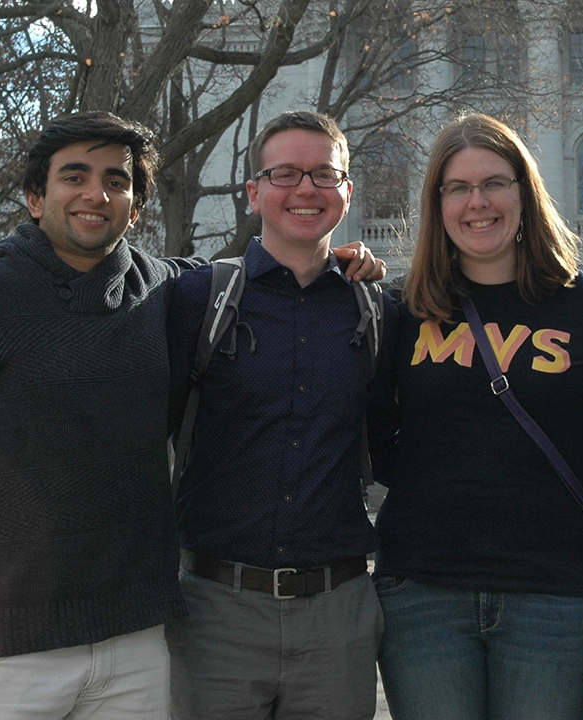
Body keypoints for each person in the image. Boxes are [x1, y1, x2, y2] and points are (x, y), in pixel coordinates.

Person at [0, 111, 384, 719]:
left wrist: (349, 264)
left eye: (116, 181)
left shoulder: (166, 291)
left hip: (137, 642)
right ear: (35, 196)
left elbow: (279, 270)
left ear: (136, 205)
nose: (96, 194)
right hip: (4, 644)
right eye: (75, 176)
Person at [370, 113, 583, 720]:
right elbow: (368, 427)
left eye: (494, 182)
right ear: (437, 203)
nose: (478, 202)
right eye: (458, 188)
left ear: (524, 192)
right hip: (422, 589)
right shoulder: (401, 309)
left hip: (554, 592)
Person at [165, 110, 395, 720]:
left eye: (324, 174)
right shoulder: (198, 300)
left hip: (336, 613)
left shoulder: (378, 312)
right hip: (216, 608)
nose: (305, 190)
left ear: (347, 191)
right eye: (285, 173)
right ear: (254, 191)